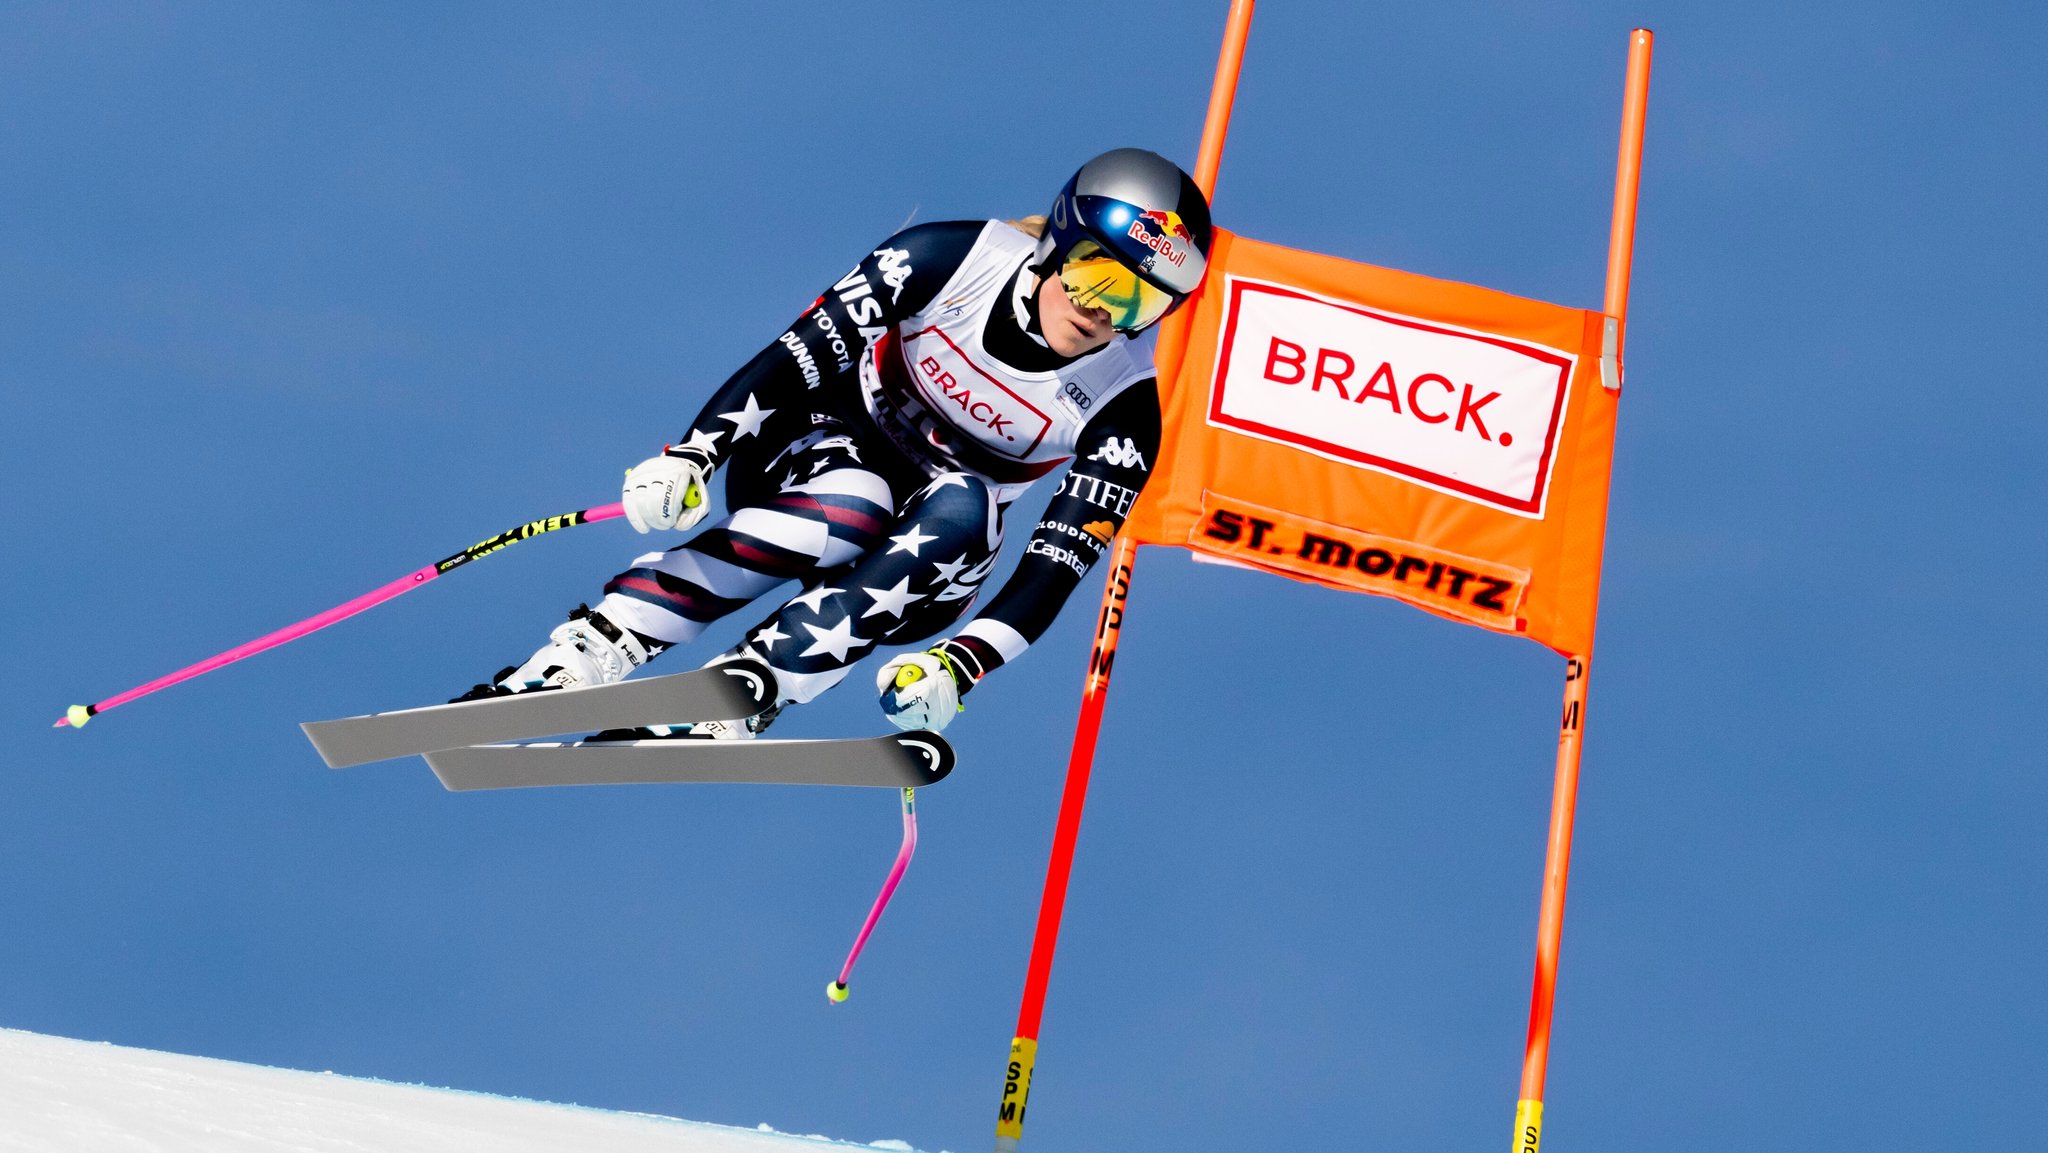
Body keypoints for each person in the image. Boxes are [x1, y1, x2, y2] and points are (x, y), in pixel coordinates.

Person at [461, 148, 1212, 737]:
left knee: (964, 502)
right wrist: (696, 452)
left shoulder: (1124, 409)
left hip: (931, 564)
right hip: (811, 454)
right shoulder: (949, 260)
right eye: (1093, 276)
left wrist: (961, 665)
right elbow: (796, 356)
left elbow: (1055, 566)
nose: (1101, 313)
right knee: (855, 499)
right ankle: (595, 647)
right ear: (1057, 241)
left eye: (1139, 301)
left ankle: (754, 685)